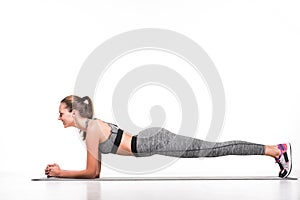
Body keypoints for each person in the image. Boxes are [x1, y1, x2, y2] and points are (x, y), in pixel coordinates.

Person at [45, 95, 292, 179]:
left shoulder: (91, 130)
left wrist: (60, 172)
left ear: (74, 112)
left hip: (154, 142)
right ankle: (274, 150)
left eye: (61, 114)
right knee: (215, 148)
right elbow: (95, 173)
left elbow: (91, 173)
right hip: (152, 140)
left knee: (216, 149)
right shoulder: (91, 129)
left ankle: (276, 150)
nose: (59, 118)